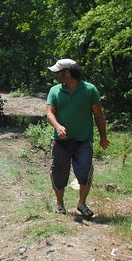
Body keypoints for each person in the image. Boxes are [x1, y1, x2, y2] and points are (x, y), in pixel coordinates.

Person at [46, 58, 110, 218]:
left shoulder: (89, 90)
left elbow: (98, 115)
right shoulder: (54, 91)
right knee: (58, 172)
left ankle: (81, 204)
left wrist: (103, 137)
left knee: (85, 170)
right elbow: (49, 113)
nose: (54, 74)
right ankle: (60, 204)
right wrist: (58, 126)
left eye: (57, 72)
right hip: (60, 142)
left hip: (83, 140)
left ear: (66, 73)